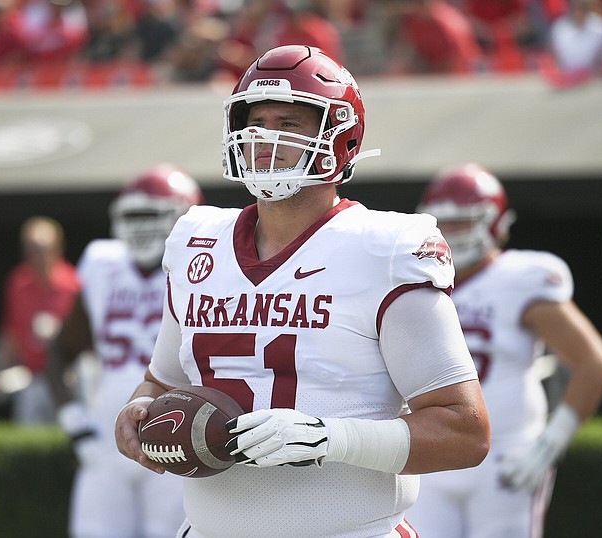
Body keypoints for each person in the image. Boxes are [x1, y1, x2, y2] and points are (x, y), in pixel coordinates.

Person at [115, 44, 490, 538]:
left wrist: (328, 438)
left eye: (289, 124)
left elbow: (466, 432)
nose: (265, 137)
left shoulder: (385, 249)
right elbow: (160, 383)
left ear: (343, 138)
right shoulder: (194, 241)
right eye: (256, 122)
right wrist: (137, 411)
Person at [408, 163, 602, 537]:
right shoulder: (415, 279)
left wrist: (550, 444)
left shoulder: (520, 278)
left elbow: (593, 363)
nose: (453, 233)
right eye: (446, 223)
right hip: (434, 455)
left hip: (503, 456)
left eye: (464, 222)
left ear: (495, 222)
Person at [47, 163, 203, 538]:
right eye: (132, 215)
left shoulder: (203, 267)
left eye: (149, 214)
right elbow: (58, 352)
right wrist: (74, 424)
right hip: (106, 435)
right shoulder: (103, 265)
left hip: (175, 432)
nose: (139, 226)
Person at [0, 215, 80, 424]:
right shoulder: (17, 283)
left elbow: (84, 337)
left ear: (57, 249)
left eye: (43, 250)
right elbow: (10, 332)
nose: (37, 257)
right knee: (28, 427)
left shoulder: (74, 284)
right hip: (31, 376)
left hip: (67, 376)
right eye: (31, 250)